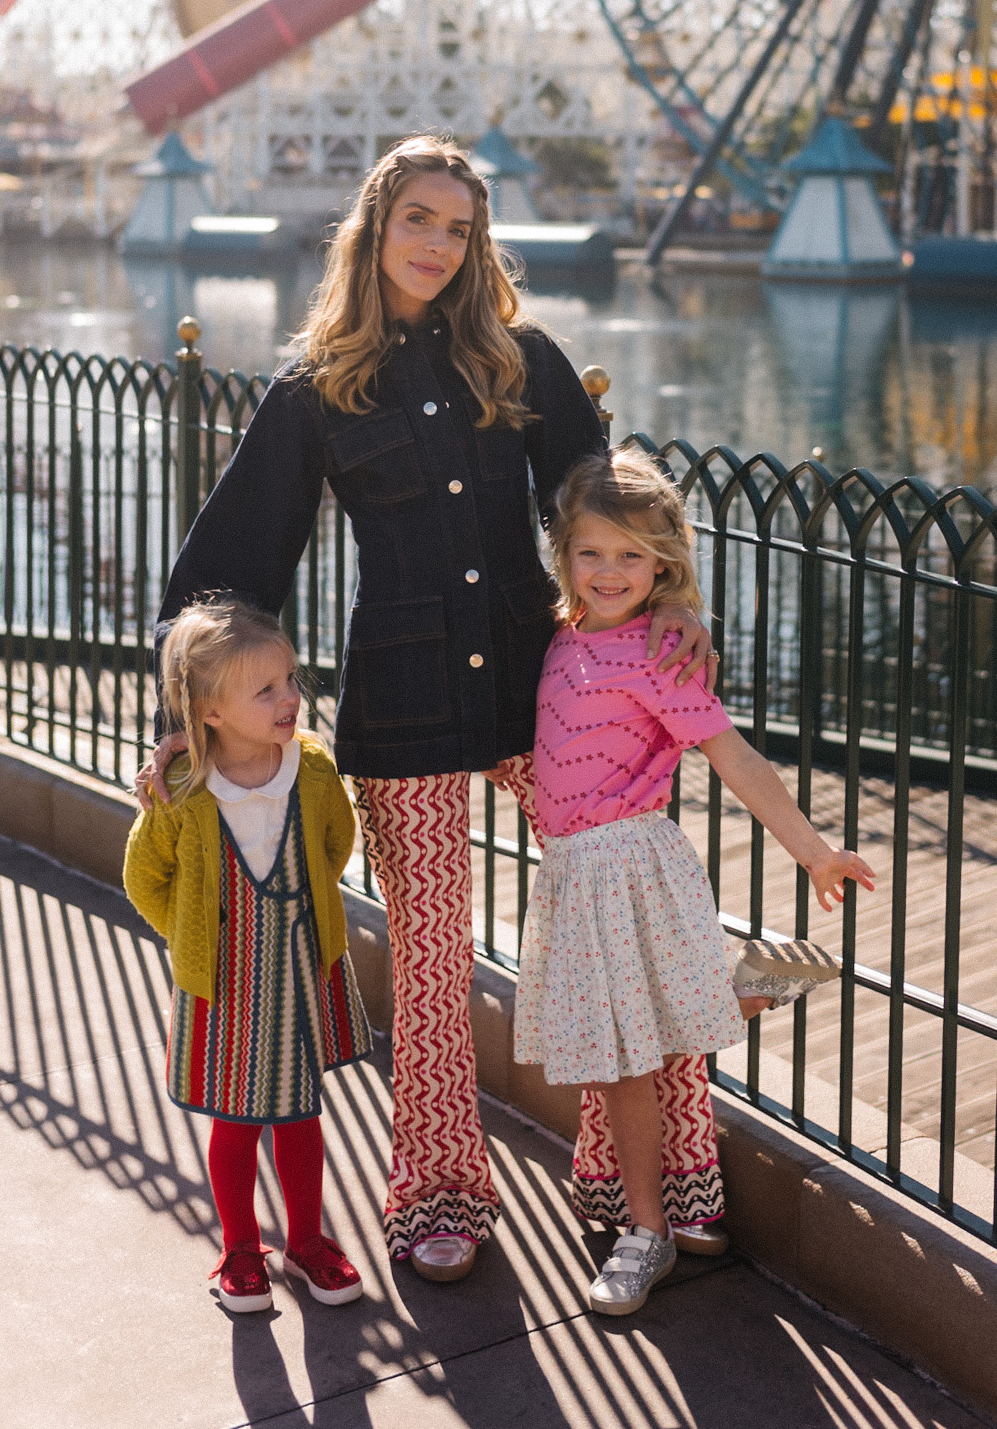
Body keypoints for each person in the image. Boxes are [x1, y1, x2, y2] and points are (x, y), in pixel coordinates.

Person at [137, 135, 720, 1283]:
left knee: (625, 920)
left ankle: (655, 1171)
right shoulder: (318, 385)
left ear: (476, 244)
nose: (437, 245)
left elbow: (605, 512)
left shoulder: (524, 359)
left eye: (458, 228)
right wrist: (184, 713)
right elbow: (235, 560)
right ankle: (439, 1192)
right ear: (375, 225)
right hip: (400, 705)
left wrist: (678, 605)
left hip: (542, 693)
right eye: (419, 219)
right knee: (431, 959)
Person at [514, 450, 877, 1316]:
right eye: (592, 552)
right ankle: (748, 986)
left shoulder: (657, 654)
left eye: (631, 557)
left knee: (624, 1059)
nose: (608, 572)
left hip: (630, 866)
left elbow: (734, 758)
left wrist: (812, 850)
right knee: (623, 1044)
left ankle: (648, 1235)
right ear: (565, 554)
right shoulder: (561, 636)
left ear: (664, 565)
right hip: (570, 873)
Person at [124, 595, 372, 1315]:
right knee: (234, 1124)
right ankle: (239, 1247)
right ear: (209, 711)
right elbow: (145, 879)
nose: (290, 698)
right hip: (225, 983)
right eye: (265, 690)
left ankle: (306, 1240)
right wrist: (195, 932)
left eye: (290, 679)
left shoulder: (314, 771)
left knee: (300, 1115)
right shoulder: (181, 792)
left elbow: (335, 845)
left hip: (299, 970)